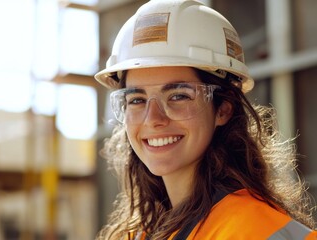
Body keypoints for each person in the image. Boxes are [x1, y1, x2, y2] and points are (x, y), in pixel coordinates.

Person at [94, 0, 317, 239]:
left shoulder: (252, 229)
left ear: (223, 109)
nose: (153, 119)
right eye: (136, 100)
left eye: (178, 96)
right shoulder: (144, 232)